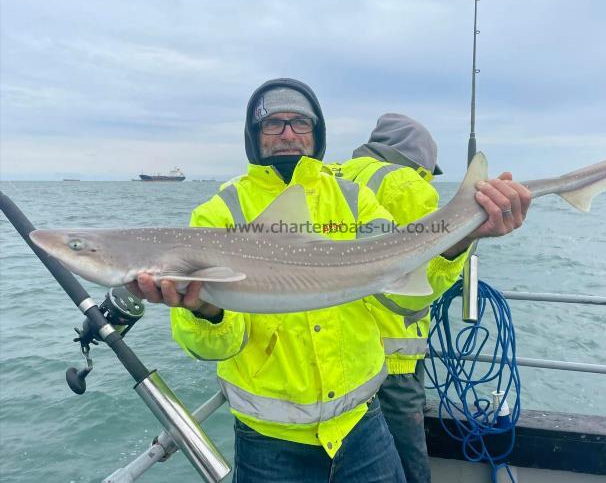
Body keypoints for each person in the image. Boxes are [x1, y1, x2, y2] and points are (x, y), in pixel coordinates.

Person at [128, 79, 531, 483]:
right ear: (254, 136)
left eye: (301, 123)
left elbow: (404, 304)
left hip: (361, 423)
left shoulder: (354, 200)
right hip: (269, 440)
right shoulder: (219, 213)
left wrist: (456, 244)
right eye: (273, 124)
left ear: (317, 132)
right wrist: (207, 310)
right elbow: (213, 347)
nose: (288, 134)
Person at [335, 113, 470, 482]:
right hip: (395, 357)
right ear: (420, 159)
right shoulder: (407, 184)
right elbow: (432, 268)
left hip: (342, 356)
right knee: (408, 461)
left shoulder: (335, 176)